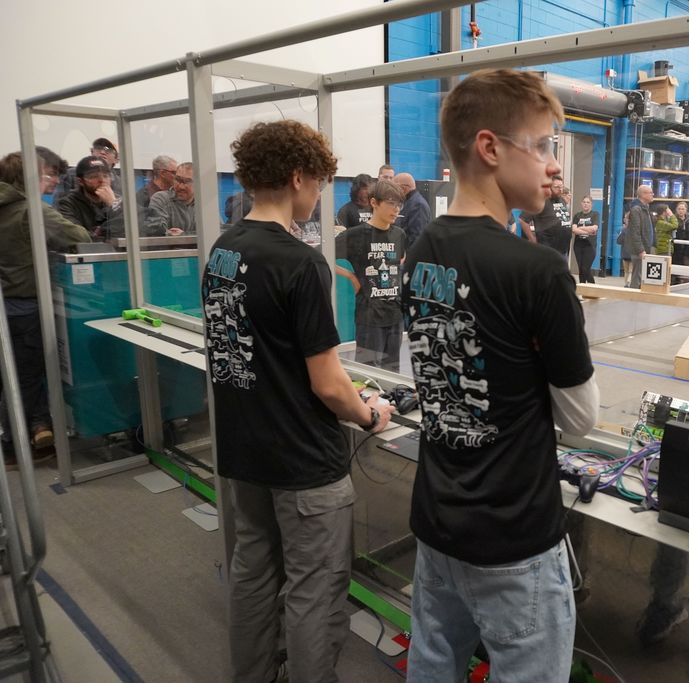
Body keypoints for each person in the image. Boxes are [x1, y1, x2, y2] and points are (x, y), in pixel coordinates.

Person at [402, 68, 598, 683]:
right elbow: (581, 420)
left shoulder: (421, 250)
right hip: (514, 538)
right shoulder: (538, 272)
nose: (553, 166)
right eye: (541, 146)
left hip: (438, 520)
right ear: (489, 148)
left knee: (434, 664)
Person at [202, 119, 394, 683]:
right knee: (315, 591)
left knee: (254, 573)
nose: (320, 196)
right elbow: (329, 384)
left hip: (246, 452)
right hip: (304, 464)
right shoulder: (300, 261)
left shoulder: (223, 249)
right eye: (319, 184)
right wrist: (369, 413)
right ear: (296, 177)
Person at [0, 151, 91, 453]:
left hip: (6, 306)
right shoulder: (31, 210)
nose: (51, 181)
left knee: (12, 377)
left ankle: (28, 433)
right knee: (27, 378)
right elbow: (78, 236)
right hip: (26, 305)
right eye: (47, 175)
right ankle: (16, 447)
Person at [334, 179, 407, 372]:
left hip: (394, 314)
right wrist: (350, 276)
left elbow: (399, 263)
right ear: (374, 203)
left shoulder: (399, 234)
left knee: (393, 373)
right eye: (391, 203)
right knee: (368, 373)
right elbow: (322, 255)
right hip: (369, 317)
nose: (396, 209)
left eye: (399, 204)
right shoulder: (356, 235)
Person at [56, 156, 124, 239]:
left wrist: (114, 205)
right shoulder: (67, 204)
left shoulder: (119, 200)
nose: (102, 180)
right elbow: (78, 236)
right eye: (94, 176)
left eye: (106, 176)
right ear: (80, 181)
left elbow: (134, 228)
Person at [52, 137, 123, 202]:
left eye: (109, 150)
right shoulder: (71, 174)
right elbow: (58, 203)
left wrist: (113, 204)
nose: (103, 152)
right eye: (98, 148)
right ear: (92, 152)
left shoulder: (122, 184)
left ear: (116, 159)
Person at [519, 175, 572, 257]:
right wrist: (532, 239)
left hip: (562, 250)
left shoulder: (562, 200)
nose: (560, 189)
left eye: (561, 187)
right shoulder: (539, 201)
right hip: (547, 250)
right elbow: (523, 220)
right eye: (556, 187)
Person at [144, 162, 195, 236]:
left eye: (187, 182)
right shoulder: (161, 199)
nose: (181, 186)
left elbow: (215, 232)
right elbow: (158, 232)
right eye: (178, 180)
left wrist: (184, 234)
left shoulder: (205, 204)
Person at [625, 184, 655, 288]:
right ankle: (634, 299)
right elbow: (635, 232)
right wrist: (640, 250)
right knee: (637, 277)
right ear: (643, 195)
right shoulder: (636, 210)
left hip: (645, 248)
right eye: (650, 193)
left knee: (642, 276)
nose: (653, 194)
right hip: (639, 250)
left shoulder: (645, 208)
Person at [394, 172, 431, 247]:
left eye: (394, 187)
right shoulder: (409, 202)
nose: (392, 191)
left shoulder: (418, 205)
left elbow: (416, 237)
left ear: (403, 188)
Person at [571, 196, 599, 283]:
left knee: (585, 268)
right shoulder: (577, 215)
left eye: (588, 202)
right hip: (578, 246)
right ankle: (583, 290)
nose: (585, 204)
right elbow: (574, 230)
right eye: (584, 202)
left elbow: (594, 228)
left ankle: (593, 289)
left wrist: (581, 228)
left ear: (591, 204)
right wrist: (588, 231)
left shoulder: (595, 214)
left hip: (590, 245)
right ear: (581, 203)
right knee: (581, 270)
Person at [673, 201, 689, 266]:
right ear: (676, 210)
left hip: (687, 247)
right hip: (676, 248)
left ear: (686, 210)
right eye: (679, 209)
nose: (680, 211)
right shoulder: (673, 220)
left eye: (682, 209)